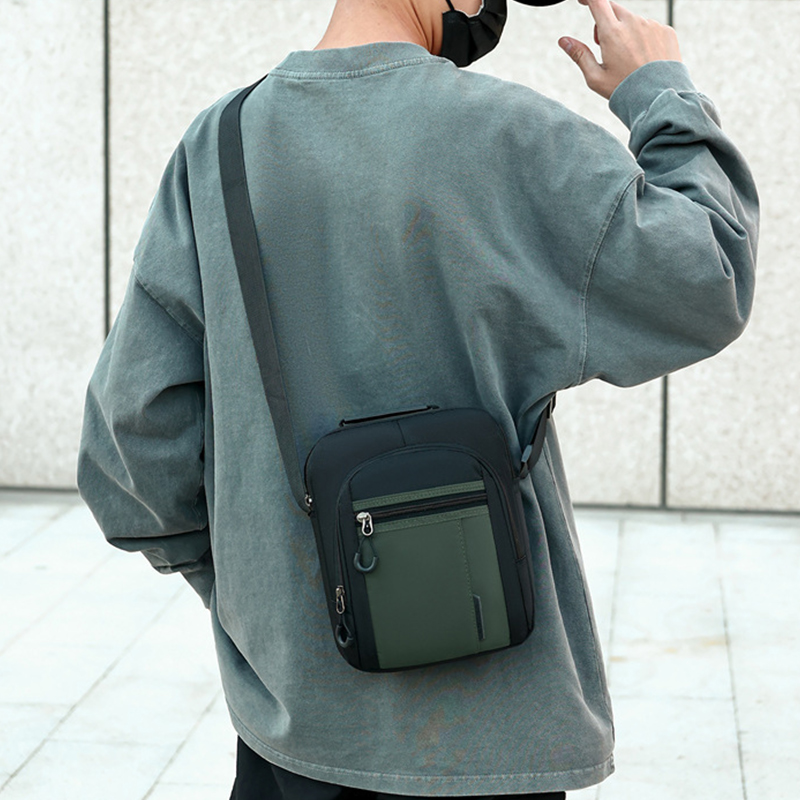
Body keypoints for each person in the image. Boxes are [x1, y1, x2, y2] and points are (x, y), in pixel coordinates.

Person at [77, 0, 758, 797]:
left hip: (297, 734)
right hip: (495, 738)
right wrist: (659, 90)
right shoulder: (511, 135)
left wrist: (258, 592)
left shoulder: (218, 147)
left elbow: (134, 434)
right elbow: (705, 275)